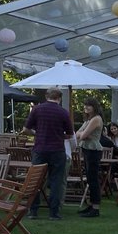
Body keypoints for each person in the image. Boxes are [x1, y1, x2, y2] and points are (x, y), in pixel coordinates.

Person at [22, 88, 75, 220]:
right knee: (56, 181)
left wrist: (36, 133)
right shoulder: (63, 112)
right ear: (59, 98)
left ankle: (33, 211)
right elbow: (69, 134)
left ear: (46, 96)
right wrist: (58, 135)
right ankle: (54, 213)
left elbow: (25, 130)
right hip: (57, 150)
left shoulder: (37, 110)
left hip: (40, 149)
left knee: (36, 180)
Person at [74, 100, 104, 218]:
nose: (86, 107)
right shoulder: (88, 120)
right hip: (87, 149)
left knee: (93, 179)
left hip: (93, 150)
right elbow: (77, 133)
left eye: (89, 105)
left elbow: (83, 135)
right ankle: (91, 205)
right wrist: (82, 134)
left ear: (94, 106)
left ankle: (95, 208)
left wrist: (83, 134)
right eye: (85, 105)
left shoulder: (96, 119)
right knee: (90, 179)